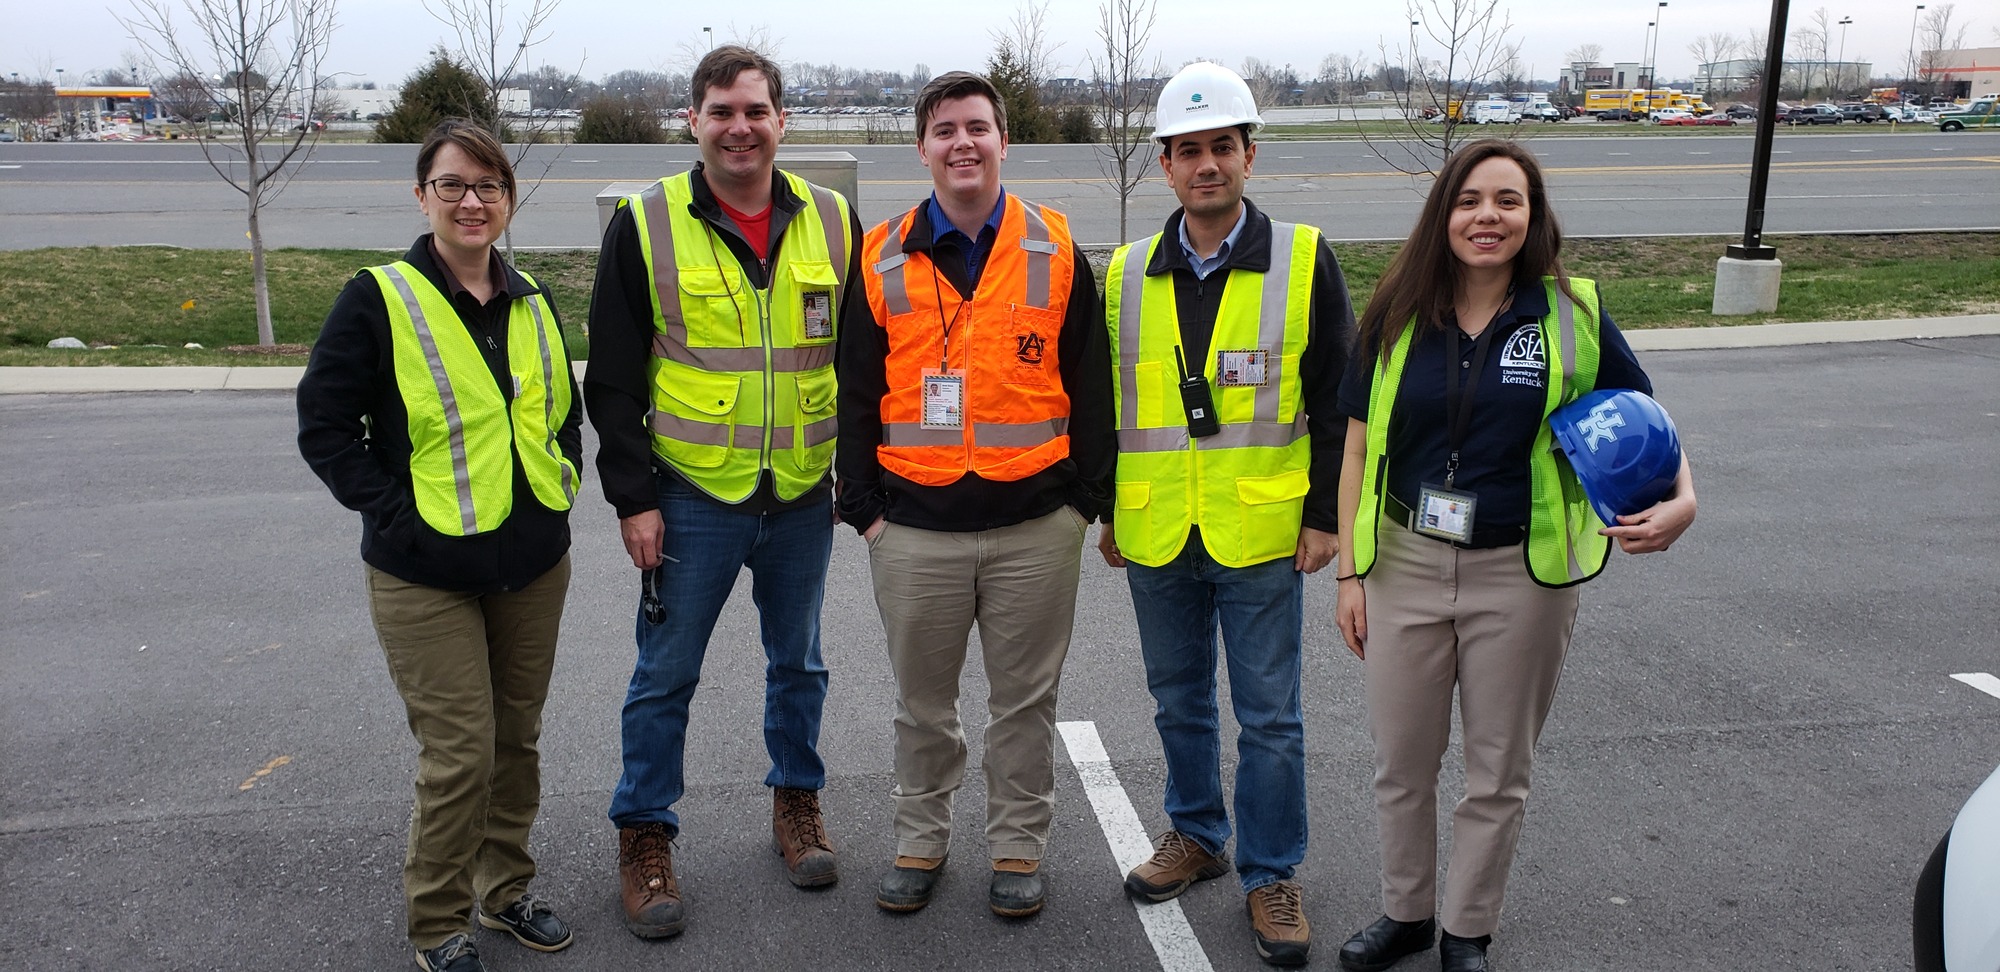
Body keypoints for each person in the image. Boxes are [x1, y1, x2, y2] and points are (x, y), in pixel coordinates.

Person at [1331, 139, 1697, 972]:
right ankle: (1407, 914)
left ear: (1533, 216)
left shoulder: (1571, 312)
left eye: (1507, 201)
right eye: (1469, 200)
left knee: (1498, 770)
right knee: (1402, 762)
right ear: (1443, 214)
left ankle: (1466, 931)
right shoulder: (1395, 307)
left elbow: (1642, 419)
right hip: (1404, 564)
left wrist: (1686, 494)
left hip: (1522, 576)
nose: (1486, 217)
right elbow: (1355, 447)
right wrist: (1352, 573)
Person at [583, 44, 861, 940]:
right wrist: (634, 497)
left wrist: (857, 473)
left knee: (801, 667)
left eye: (754, 110)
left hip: (800, 496)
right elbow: (616, 379)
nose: (738, 127)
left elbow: (858, 364)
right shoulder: (647, 221)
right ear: (692, 121)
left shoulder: (834, 219)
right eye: (720, 111)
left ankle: (797, 805)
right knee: (665, 675)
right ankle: (646, 836)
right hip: (692, 494)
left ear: (783, 120)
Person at [297, 118, 581, 972]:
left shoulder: (531, 294)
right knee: (461, 751)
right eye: (452, 184)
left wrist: (562, 475)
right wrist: (395, 516)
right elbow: (324, 426)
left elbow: (560, 413)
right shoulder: (379, 296)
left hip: (531, 561)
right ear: (421, 195)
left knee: (516, 739)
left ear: (509, 199)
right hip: (425, 574)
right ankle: (437, 921)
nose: (471, 201)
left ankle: (504, 893)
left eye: (488, 185)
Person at [836, 69, 1114, 920]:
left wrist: (1084, 503)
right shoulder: (878, 253)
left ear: (1003, 142)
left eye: (979, 128)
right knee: (922, 706)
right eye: (946, 129)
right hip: (915, 526)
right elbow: (855, 386)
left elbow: (1091, 383)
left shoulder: (1056, 246)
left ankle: (1016, 848)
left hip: (1036, 523)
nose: (964, 143)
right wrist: (867, 512)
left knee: (1024, 705)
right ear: (922, 147)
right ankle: (919, 840)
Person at [1096, 62, 1356, 968]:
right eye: (1188, 151)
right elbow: (1105, 404)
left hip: (1259, 528)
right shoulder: (1125, 272)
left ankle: (1271, 872)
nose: (1206, 165)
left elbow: (1335, 401)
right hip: (1158, 526)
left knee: (1271, 716)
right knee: (1178, 704)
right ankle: (1197, 836)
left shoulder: (1302, 258)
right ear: (1163, 165)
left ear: (1250, 155)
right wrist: (1107, 510)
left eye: (1222, 148)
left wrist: (1326, 516)